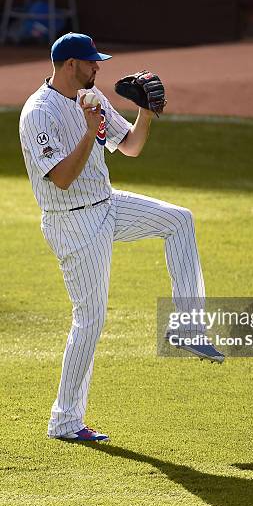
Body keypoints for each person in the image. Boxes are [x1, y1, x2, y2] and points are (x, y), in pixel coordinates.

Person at [19, 32, 224, 443]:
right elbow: (60, 179)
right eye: (92, 62)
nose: (99, 68)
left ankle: (187, 327)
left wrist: (144, 112)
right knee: (90, 321)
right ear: (69, 64)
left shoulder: (93, 97)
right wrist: (87, 131)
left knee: (179, 221)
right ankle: (64, 421)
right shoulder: (37, 114)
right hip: (72, 222)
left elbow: (129, 146)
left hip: (106, 204)